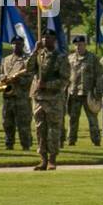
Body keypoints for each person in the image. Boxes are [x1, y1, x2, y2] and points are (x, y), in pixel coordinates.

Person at [27, 28, 70, 170]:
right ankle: (43, 159)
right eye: (44, 37)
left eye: (49, 37)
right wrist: (34, 51)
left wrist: (47, 85)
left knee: (53, 130)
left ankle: (52, 159)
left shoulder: (61, 58)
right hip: (38, 97)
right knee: (40, 129)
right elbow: (28, 69)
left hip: (53, 99)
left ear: (54, 40)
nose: (45, 39)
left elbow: (64, 80)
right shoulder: (39, 55)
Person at [66, 34, 103, 146]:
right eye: (76, 45)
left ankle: (96, 141)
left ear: (85, 45)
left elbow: (99, 76)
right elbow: (66, 75)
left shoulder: (93, 58)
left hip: (88, 94)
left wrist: (99, 92)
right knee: (73, 119)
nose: (78, 47)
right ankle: (71, 140)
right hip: (74, 93)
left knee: (92, 119)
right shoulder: (70, 58)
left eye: (80, 45)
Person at [0, 36, 35, 150]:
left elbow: (31, 78)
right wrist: (3, 78)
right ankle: (9, 144)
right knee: (7, 123)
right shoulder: (6, 60)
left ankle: (26, 145)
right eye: (14, 44)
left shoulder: (27, 60)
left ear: (23, 45)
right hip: (8, 96)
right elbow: (0, 74)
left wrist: (18, 79)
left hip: (22, 97)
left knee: (23, 124)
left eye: (19, 44)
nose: (16, 46)